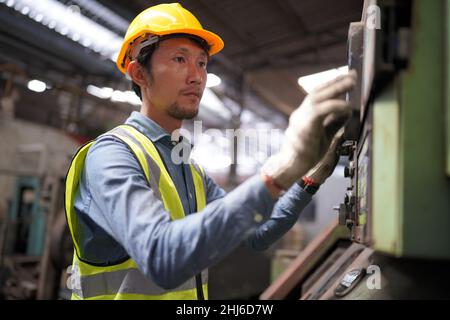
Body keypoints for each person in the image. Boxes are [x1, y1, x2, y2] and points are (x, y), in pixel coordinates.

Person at [65, 3, 356, 300]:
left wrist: (307, 177)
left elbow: (258, 235)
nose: (197, 76)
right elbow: (160, 256)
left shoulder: (190, 171)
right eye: (180, 59)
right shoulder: (111, 156)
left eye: (202, 63)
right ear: (139, 73)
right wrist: (277, 172)